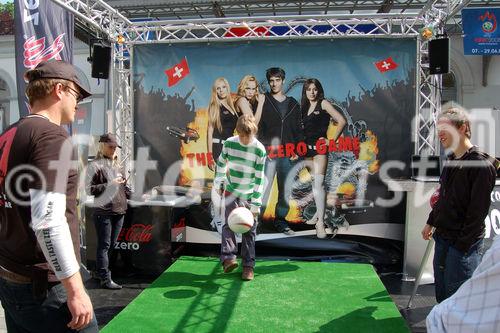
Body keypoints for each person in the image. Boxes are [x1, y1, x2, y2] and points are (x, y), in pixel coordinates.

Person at [0, 60, 97, 332]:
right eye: (76, 95)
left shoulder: (10, 132)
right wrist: (75, 290)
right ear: (59, 90)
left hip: (11, 278)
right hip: (45, 287)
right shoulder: (50, 137)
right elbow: (48, 221)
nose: (78, 104)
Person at [421, 106, 498, 303]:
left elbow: (477, 213)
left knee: (459, 300)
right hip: (443, 238)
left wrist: (461, 247)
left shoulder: (481, 164)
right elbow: (443, 197)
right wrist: (431, 222)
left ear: (463, 128)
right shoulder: (451, 160)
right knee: (442, 296)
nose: (440, 134)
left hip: (463, 245)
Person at [214, 114, 266, 281]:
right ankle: (228, 259)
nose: (245, 139)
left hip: (250, 194)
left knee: (249, 230)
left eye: (248, 136)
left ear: (254, 133)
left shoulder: (259, 149)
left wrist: (256, 205)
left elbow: (259, 179)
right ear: (237, 132)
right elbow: (221, 163)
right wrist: (220, 180)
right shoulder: (229, 143)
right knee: (229, 224)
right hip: (231, 191)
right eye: (242, 135)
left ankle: (248, 266)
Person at [258, 67, 302, 235]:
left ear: (283, 81)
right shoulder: (264, 100)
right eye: (271, 80)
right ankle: (256, 222)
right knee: (262, 190)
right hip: (269, 154)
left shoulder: (293, 103)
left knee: (285, 190)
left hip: (288, 154)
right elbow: (258, 128)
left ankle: (281, 220)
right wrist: (264, 148)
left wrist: (298, 149)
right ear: (269, 82)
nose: (274, 83)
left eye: (277, 80)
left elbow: (298, 128)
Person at [300, 79, 346, 238]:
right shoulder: (303, 107)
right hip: (306, 150)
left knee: (319, 184)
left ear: (319, 91)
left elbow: (342, 121)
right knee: (315, 185)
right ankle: (318, 214)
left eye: (314, 89)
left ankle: (320, 223)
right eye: (309, 89)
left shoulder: (323, 103)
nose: (312, 92)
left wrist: (331, 141)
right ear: (305, 91)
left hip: (320, 150)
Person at [426, 234, 500, 333]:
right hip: (450, 238)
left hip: (463, 243)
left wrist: (463, 243)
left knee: (455, 289)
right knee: (444, 289)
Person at [86, 133, 130, 289]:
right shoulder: (94, 165)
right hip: (103, 211)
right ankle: (105, 278)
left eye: (115, 147)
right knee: (104, 246)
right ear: (102, 146)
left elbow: (123, 188)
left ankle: (101, 272)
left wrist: (138, 195)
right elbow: (90, 190)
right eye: (110, 146)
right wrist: (110, 183)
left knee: (110, 245)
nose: (113, 150)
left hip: (119, 210)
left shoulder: (117, 165)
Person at [207, 77, 239, 170]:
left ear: (227, 88)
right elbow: (209, 131)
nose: (221, 90)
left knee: (230, 181)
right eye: (218, 88)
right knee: (222, 181)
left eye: (223, 87)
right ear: (215, 91)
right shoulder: (215, 105)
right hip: (219, 148)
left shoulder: (231, 106)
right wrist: (209, 158)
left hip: (230, 148)